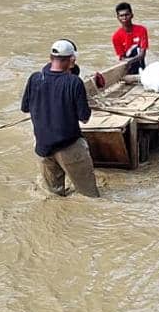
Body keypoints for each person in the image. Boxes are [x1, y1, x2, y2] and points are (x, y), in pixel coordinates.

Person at [20, 39, 99, 198]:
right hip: (69, 147)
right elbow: (84, 118)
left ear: (50, 58)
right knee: (89, 196)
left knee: (54, 197)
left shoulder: (35, 78)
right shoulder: (74, 82)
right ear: (72, 60)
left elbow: (25, 108)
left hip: (43, 148)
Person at [111, 2, 149, 75]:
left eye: (126, 15)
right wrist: (127, 62)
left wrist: (129, 61)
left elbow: (142, 54)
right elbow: (122, 58)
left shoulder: (142, 30)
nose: (124, 18)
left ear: (132, 15)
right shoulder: (116, 37)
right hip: (127, 68)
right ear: (118, 18)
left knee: (137, 49)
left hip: (140, 65)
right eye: (121, 16)